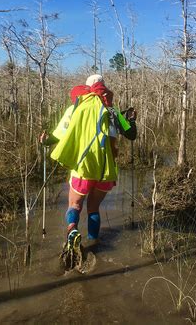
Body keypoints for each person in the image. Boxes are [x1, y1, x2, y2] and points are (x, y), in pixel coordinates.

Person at [40, 74, 136, 257]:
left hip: (82, 169)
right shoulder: (113, 111)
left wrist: (45, 141)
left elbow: (57, 136)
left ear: (86, 89)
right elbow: (131, 134)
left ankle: (72, 231)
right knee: (93, 208)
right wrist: (131, 119)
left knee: (75, 205)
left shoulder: (75, 108)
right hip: (106, 172)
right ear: (103, 88)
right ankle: (93, 243)